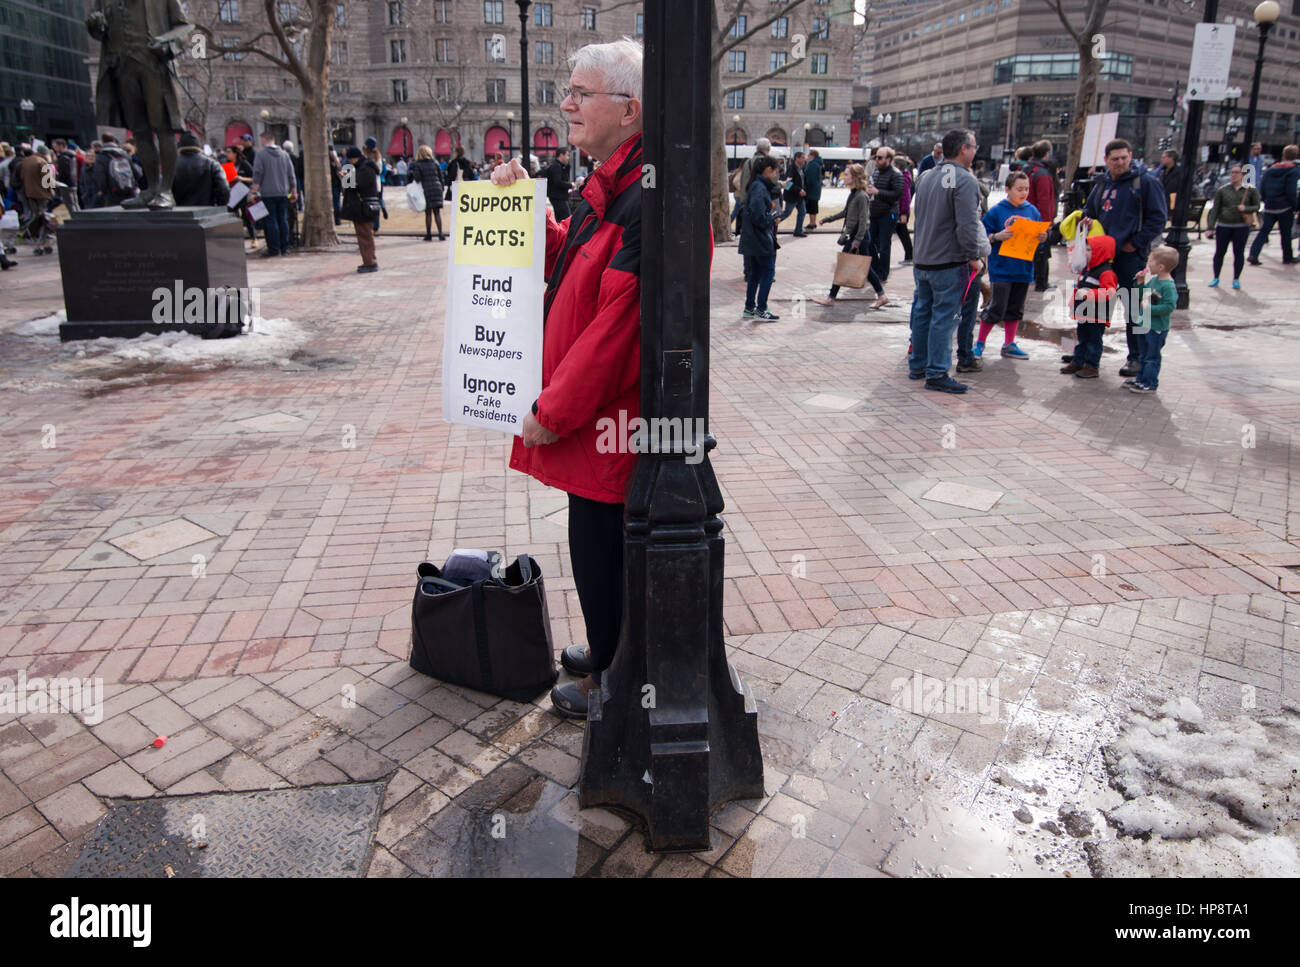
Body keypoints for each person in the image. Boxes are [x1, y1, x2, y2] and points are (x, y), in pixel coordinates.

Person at [489, 38, 646, 719]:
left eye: (582, 93)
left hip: (610, 417)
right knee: (594, 534)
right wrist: (525, 205)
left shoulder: (643, 196)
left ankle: (616, 674)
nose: (567, 103)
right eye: (569, 89)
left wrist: (554, 407)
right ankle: (610, 651)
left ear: (629, 108)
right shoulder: (607, 182)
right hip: (596, 417)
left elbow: (622, 326)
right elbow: (570, 261)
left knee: (603, 541)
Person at [908, 129, 990, 394]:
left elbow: (920, 219)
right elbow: (967, 225)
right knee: (944, 317)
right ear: (964, 148)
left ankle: (918, 364)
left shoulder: (927, 176)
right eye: (974, 147)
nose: (976, 152)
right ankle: (937, 372)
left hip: (924, 259)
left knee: (923, 313)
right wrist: (973, 257)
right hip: (947, 261)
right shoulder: (964, 180)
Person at [1082, 138, 1168, 378]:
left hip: (1131, 257)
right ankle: (1088, 357)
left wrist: (1135, 244)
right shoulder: (1101, 185)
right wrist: (1085, 222)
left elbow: (1158, 218)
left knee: (1134, 309)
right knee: (1094, 305)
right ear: (1106, 160)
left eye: (1123, 157)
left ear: (1130, 156)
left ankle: (1137, 358)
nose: (1120, 162)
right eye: (1114, 159)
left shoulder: (1146, 183)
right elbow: (1089, 211)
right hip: (1101, 258)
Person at [976, 171, 1045, 360]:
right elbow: (982, 235)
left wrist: (1042, 238)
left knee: (1015, 308)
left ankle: (1009, 343)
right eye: (1019, 189)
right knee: (996, 306)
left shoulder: (1033, 211)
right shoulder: (997, 211)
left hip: (1023, 268)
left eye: (1026, 189)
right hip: (1002, 268)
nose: (1024, 193)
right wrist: (997, 236)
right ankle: (980, 343)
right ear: (1007, 189)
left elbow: (1039, 238)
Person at [812, 162, 889, 310]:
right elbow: (846, 213)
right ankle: (881, 295)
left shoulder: (861, 196)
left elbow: (864, 220)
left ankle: (831, 298)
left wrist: (857, 240)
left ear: (854, 177)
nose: (844, 176)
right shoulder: (854, 194)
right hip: (857, 236)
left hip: (859, 237)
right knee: (865, 268)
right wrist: (827, 219)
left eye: (846, 174)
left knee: (846, 266)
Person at [1061, 232, 1118, 380]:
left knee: (1094, 340)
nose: (1086, 253)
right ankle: (1079, 361)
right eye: (1086, 249)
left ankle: (1092, 366)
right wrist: (1074, 301)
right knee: (1082, 338)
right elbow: (1079, 287)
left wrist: (1088, 294)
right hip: (1084, 312)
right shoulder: (1087, 269)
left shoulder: (1106, 272)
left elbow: (1109, 293)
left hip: (1097, 314)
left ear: (1101, 252)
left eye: (1089, 250)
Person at [1127, 246, 1179, 394]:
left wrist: (1149, 309)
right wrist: (1140, 282)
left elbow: (1169, 306)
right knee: (1143, 354)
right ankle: (1141, 379)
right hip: (1145, 324)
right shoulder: (1154, 280)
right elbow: (1142, 295)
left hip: (1156, 327)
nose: (1148, 264)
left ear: (1161, 267)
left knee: (1152, 356)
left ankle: (1150, 383)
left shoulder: (1168, 286)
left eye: (1150, 261)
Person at [738, 155, 781, 320]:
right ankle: (761, 309)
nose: (776, 175)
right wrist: (772, 217)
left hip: (753, 238)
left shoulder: (756, 185)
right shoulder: (759, 187)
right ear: (768, 170)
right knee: (768, 272)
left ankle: (750, 307)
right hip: (759, 238)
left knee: (755, 273)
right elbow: (758, 216)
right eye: (775, 171)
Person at [1206, 163, 1260, 289]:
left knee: (1238, 253)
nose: (1233, 175)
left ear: (1242, 175)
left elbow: (1257, 206)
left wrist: (1246, 208)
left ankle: (1236, 278)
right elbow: (1215, 209)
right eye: (1232, 172)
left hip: (1241, 226)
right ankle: (1216, 277)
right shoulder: (1222, 190)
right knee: (1219, 252)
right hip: (1224, 225)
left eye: (1237, 172)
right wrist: (1210, 227)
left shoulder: (1250, 190)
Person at [1248, 144, 1298, 265]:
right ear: (1295, 156)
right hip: (1285, 207)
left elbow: (1263, 187)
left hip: (1270, 206)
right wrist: (1295, 206)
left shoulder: (1270, 170)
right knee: (1285, 233)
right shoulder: (1293, 171)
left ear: (1283, 155)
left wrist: (1266, 200)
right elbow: (1291, 191)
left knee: (1264, 231)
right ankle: (1287, 256)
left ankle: (1253, 254)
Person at [250, 131, 296, 257]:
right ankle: (285, 247)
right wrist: (294, 191)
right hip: (283, 192)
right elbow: (291, 174)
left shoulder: (261, 154)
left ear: (264, 139)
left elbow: (258, 174)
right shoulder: (284, 154)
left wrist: (253, 191)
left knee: (271, 221)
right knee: (283, 219)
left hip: (268, 192)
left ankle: (274, 248)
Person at [1023, 140, 1057, 291]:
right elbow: (1045, 201)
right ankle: (1041, 283)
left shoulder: (1026, 169)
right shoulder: (1042, 174)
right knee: (1042, 253)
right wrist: (1046, 223)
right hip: (1037, 219)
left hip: (1025, 215)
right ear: (1046, 154)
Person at [340, 145, 380, 272]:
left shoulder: (365, 169)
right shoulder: (362, 168)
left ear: (355, 158)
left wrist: (346, 177)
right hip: (362, 207)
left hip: (364, 208)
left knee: (365, 236)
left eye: (351, 160)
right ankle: (368, 261)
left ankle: (370, 262)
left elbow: (357, 185)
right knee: (364, 235)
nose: (350, 162)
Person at [866, 146, 902, 281]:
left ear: (888, 159)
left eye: (880, 157)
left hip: (888, 214)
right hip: (875, 213)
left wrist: (878, 192)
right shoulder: (876, 172)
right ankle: (875, 270)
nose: (877, 160)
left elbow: (898, 194)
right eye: (876, 157)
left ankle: (883, 273)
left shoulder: (896, 174)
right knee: (871, 243)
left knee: (884, 245)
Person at [171, 132, 229, 206]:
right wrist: (219, 206)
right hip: (207, 211)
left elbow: (165, 191)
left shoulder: (172, 166)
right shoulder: (211, 163)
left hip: (179, 212)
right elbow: (224, 188)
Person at [733, 137, 771, 232]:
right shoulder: (766, 162)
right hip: (759, 203)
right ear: (768, 149)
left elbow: (742, 181)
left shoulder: (747, 162)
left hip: (746, 202)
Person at [89, 133, 137, 208]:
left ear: (102, 141)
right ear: (113, 140)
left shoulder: (101, 156)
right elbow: (136, 173)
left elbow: (100, 177)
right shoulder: (124, 154)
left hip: (112, 193)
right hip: (129, 190)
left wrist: (104, 192)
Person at [408, 144, 445, 241]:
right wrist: (441, 188)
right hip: (437, 188)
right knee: (437, 213)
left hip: (426, 189)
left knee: (428, 213)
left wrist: (412, 172)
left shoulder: (418, 164)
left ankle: (429, 235)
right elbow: (441, 177)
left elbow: (417, 178)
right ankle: (441, 234)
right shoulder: (435, 163)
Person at [776, 150, 808, 236]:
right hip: (792, 196)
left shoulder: (801, 168)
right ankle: (772, 223)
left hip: (799, 196)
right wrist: (799, 190)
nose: (804, 159)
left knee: (802, 212)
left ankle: (798, 230)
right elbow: (788, 183)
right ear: (797, 158)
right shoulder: (792, 168)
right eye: (802, 158)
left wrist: (803, 189)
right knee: (787, 213)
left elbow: (802, 181)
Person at [543, 147, 574, 219]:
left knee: (561, 219)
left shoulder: (558, 166)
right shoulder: (556, 167)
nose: (568, 158)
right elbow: (558, 182)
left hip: (558, 196)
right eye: (567, 155)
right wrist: (570, 185)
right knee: (566, 219)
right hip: (559, 197)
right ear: (561, 155)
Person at [895, 154, 914, 263]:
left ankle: (909, 255)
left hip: (901, 211)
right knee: (902, 233)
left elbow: (905, 197)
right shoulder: (903, 177)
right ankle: (909, 255)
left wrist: (903, 213)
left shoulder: (903, 178)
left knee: (903, 233)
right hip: (899, 210)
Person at [1158, 149, 1183, 215]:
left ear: (1171, 158)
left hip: (1171, 204)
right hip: (1164, 202)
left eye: (1164, 157)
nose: (1161, 159)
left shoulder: (1178, 172)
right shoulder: (1163, 171)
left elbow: (1171, 188)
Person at [804, 148, 823, 230]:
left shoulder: (812, 164)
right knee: (814, 205)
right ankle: (813, 222)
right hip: (816, 188)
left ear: (812, 156)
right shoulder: (817, 163)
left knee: (811, 206)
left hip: (811, 189)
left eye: (808, 155)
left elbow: (810, 178)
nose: (807, 157)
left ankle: (812, 223)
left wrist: (806, 185)